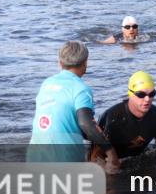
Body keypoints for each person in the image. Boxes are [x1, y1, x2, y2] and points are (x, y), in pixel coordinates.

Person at [27, 40, 118, 169]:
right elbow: (85, 124)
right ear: (85, 63)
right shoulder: (80, 88)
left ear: (60, 63)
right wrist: (111, 152)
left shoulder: (46, 84)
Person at [94, 71, 156, 161]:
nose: (147, 99)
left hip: (140, 159)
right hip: (114, 162)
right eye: (141, 94)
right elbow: (95, 155)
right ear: (130, 94)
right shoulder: (112, 118)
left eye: (152, 94)